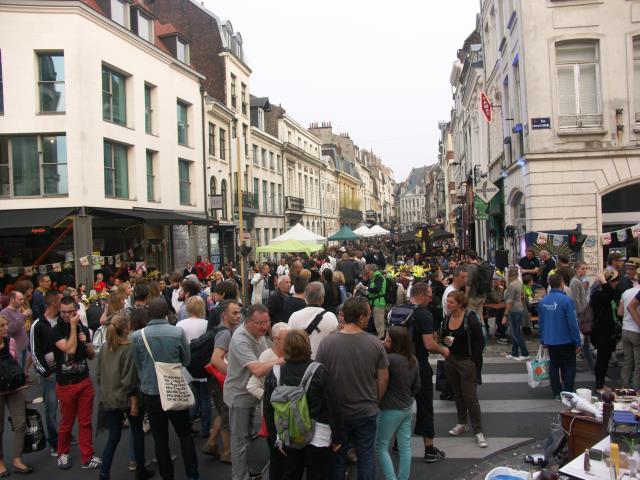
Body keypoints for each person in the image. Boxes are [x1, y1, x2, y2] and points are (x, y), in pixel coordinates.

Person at [315, 297, 389, 480]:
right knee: (366, 456)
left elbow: (320, 378)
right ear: (362, 317)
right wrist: (376, 400)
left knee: (338, 457)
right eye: (368, 316)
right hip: (366, 410)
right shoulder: (374, 344)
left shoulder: (327, 343)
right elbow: (383, 378)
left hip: (337, 411)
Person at [264, 329, 345, 480]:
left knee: (291, 473)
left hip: (288, 432)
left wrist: (275, 437)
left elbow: (268, 410)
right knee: (317, 474)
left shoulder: (275, 373)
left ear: (285, 347)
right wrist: (338, 437)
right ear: (307, 346)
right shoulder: (319, 370)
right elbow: (332, 406)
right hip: (318, 434)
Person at [132, 298, 199, 480]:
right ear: (167, 313)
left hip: (151, 391)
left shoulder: (138, 336)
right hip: (174, 385)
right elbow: (186, 360)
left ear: (149, 314)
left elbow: (137, 363)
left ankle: (167, 476)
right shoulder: (177, 333)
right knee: (184, 433)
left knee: (160, 438)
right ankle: (192, 474)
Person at [224, 304, 283, 480]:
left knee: (249, 436)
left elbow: (266, 356)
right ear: (248, 322)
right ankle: (239, 477)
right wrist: (284, 360)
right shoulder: (240, 339)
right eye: (260, 323)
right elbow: (257, 369)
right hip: (239, 396)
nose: (265, 327)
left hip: (253, 394)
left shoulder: (259, 335)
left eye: (267, 322)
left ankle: (246, 472)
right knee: (239, 441)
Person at [97, 313, 154, 480]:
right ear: (127, 327)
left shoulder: (104, 347)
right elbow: (130, 378)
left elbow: (99, 373)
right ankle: (140, 469)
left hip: (109, 397)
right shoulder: (129, 348)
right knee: (137, 432)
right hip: (129, 397)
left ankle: (104, 471)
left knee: (113, 436)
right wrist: (135, 399)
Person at [52, 296, 101, 470]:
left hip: (84, 381)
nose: (66, 315)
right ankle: (62, 452)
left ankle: (87, 457)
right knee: (67, 422)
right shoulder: (56, 330)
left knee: (85, 422)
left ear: (76, 311)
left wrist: (86, 342)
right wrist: (73, 327)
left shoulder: (84, 329)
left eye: (70, 312)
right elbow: (69, 349)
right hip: (66, 384)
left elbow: (91, 355)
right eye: (63, 312)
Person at [442, 291, 487, 447]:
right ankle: (462, 423)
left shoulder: (470, 318)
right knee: (458, 394)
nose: (448, 304)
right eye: (448, 301)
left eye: (451, 302)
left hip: (467, 361)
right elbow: (444, 336)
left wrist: (473, 361)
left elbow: (480, 342)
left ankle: (478, 430)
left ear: (460, 304)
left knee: (470, 397)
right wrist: (445, 341)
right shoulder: (447, 317)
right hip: (451, 360)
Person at [410, 282, 448, 462]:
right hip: (419, 364)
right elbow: (429, 345)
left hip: (401, 365)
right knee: (425, 406)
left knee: (401, 405)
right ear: (422, 295)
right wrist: (443, 351)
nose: (431, 298)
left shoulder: (398, 310)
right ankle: (430, 449)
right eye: (429, 295)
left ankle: (396, 444)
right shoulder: (424, 315)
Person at [376, 326, 420, 480]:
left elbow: (380, 379)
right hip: (407, 407)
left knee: (380, 446)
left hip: (389, 408)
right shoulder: (413, 359)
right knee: (405, 446)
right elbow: (417, 386)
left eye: (387, 340)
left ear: (395, 343)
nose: (384, 342)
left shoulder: (390, 360)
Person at [202, 299, 242, 462]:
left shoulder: (227, 330)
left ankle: (211, 443)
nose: (239, 316)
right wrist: (233, 375)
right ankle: (227, 453)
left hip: (217, 380)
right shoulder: (225, 333)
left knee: (222, 412)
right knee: (226, 415)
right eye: (234, 313)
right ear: (224, 315)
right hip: (219, 381)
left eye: (239, 312)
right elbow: (216, 360)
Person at [30, 289, 62, 455]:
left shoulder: (62, 321)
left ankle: (64, 434)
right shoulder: (38, 325)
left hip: (65, 370)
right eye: (61, 301)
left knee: (68, 407)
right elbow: (34, 352)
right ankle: (54, 441)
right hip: (50, 373)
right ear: (54, 303)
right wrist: (45, 372)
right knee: (51, 409)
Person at [538, 274, 581, 399]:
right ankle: (568, 391)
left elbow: (541, 322)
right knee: (569, 365)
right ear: (562, 284)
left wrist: (542, 338)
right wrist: (577, 341)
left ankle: (557, 391)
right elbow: (573, 323)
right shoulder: (567, 300)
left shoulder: (543, 301)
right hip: (566, 339)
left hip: (551, 339)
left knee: (554, 365)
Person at [0, 314, 33, 475]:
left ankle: (17, 459)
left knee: (20, 422)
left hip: (14, 387)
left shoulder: (10, 341)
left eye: (6, 325)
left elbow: (14, 363)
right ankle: (0, 462)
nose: (6, 328)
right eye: (2, 326)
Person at [177, 296, 210, 439]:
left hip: (187, 364)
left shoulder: (180, 325)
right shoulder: (206, 324)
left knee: (190, 396)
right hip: (203, 364)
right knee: (205, 397)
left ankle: (188, 424)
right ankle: (205, 428)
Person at [289, 282, 339, 359]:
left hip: (300, 362)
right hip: (322, 363)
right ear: (322, 299)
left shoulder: (294, 316)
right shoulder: (331, 317)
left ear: (306, 297)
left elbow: (289, 341)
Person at [590, 269, 621, 393]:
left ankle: (601, 383)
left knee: (605, 358)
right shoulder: (599, 294)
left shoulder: (602, 292)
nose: (616, 284)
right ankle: (599, 386)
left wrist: (604, 282)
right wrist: (603, 281)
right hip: (601, 332)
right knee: (602, 359)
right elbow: (613, 296)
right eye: (615, 281)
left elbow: (612, 295)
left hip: (605, 331)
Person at [503, 266, 529, 361]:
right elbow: (523, 296)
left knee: (515, 333)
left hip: (514, 310)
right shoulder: (519, 283)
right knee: (516, 331)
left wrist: (505, 315)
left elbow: (509, 302)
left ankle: (525, 353)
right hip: (519, 309)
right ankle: (514, 353)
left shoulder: (511, 285)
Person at [0, 291, 31, 370]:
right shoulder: (5, 312)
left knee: (22, 370)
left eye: (23, 299)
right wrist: (23, 316)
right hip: (16, 348)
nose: (22, 301)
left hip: (24, 345)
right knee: (17, 370)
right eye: (20, 299)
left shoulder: (18, 310)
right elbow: (9, 329)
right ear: (12, 299)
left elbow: (20, 325)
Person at [620, 281, 640, 390]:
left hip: (625, 329)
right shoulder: (638, 293)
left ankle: (624, 386)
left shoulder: (626, 292)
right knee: (638, 364)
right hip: (636, 330)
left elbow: (620, 312)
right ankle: (636, 388)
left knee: (627, 360)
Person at [363, 264, 388, 339]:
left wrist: (367, 288)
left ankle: (381, 339)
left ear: (371, 271)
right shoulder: (374, 278)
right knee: (378, 322)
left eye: (367, 272)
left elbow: (377, 289)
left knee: (379, 322)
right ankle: (382, 337)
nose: (367, 274)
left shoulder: (379, 277)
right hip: (375, 302)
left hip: (379, 302)